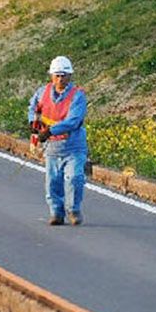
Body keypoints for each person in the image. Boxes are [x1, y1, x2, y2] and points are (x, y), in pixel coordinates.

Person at [28, 56, 88, 226]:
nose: (60, 79)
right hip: (52, 147)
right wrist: (33, 123)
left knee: (74, 178)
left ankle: (73, 210)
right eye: (57, 75)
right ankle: (56, 213)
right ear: (51, 76)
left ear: (70, 76)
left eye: (64, 75)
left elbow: (73, 121)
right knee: (53, 182)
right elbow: (33, 108)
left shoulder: (77, 96)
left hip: (73, 146)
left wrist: (50, 131)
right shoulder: (42, 92)